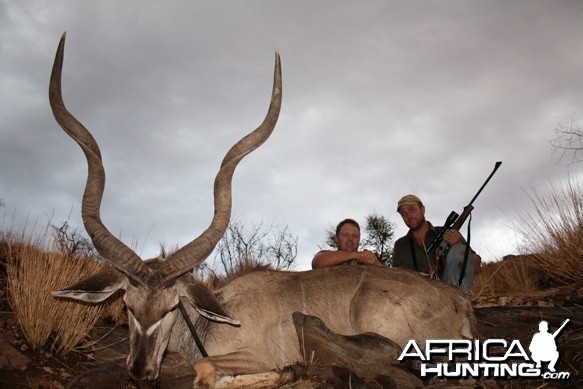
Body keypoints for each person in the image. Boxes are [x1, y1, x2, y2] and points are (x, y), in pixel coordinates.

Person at [392, 194, 481, 291]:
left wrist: (458, 244)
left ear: (423, 209)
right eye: (403, 214)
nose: (408, 216)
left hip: (451, 295)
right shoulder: (400, 245)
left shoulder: (450, 233)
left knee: (458, 250)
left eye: (412, 209)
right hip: (417, 297)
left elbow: (477, 268)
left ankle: (459, 302)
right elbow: (396, 280)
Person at [312, 218, 382, 268]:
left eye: (355, 236)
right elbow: (317, 262)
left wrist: (375, 263)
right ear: (336, 239)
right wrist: (357, 255)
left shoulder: (365, 260)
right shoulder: (326, 255)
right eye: (345, 235)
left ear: (359, 240)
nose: (350, 239)